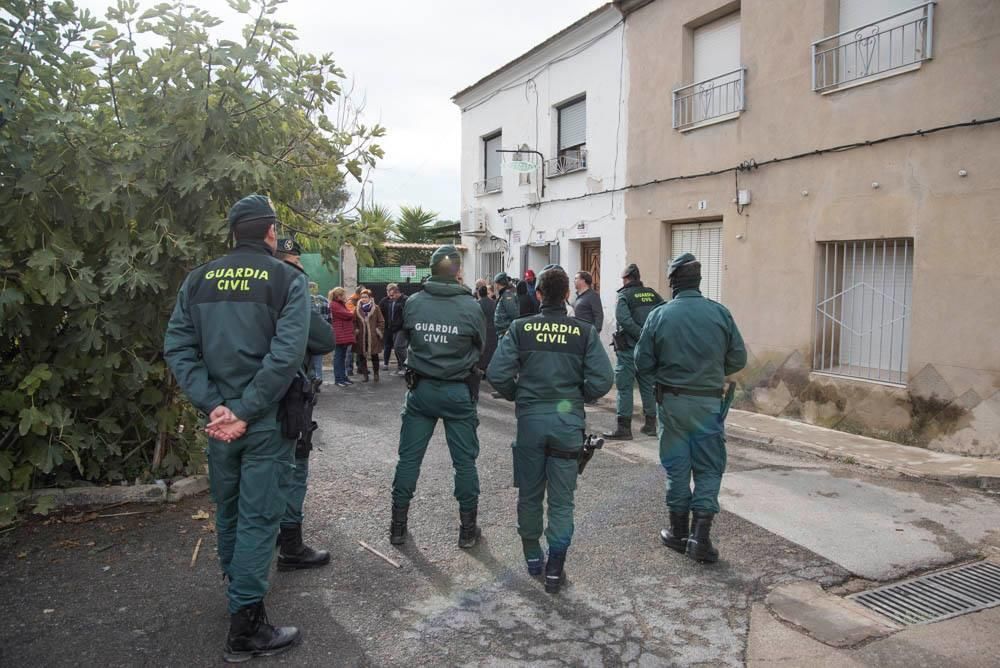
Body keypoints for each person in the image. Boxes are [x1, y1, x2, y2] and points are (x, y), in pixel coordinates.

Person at [163, 194, 307, 661]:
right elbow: (286, 355)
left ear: (234, 232)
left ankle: (239, 594)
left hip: (220, 420)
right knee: (261, 515)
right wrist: (245, 410)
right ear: (269, 232)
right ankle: (245, 628)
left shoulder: (198, 279)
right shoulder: (286, 278)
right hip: (262, 420)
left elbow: (179, 349)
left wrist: (216, 406)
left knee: (227, 510)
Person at [487, 266, 613, 593]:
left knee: (529, 494)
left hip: (530, 422)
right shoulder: (583, 332)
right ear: (568, 296)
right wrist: (575, 397)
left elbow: (497, 373)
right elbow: (603, 379)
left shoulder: (520, 328)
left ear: (539, 294)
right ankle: (555, 567)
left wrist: (521, 397)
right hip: (567, 423)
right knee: (561, 501)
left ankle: (533, 557)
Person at [636, 253, 746, 564]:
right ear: (698, 281)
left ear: (672, 283)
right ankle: (701, 537)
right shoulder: (720, 314)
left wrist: (665, 370)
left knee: (677, 466)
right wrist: (710, 368)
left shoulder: (659, 315)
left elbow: (642, 363)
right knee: (709, 467)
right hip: (709, 403)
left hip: (670, 403)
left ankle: (678, 532)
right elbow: (738, 359)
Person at [389, 245, 487, 549]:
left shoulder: (414, 303)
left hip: (421, 390)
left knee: (409, 459)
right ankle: (467, 531)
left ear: (430, 270)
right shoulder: (471, 306)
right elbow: (480, 346)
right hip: (457, 390)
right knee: (464, 463)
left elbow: (403, 338)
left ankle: (398, 527)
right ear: (457, 272)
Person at [273, 237, 335, 572]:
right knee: (294, 468)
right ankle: (291, 544)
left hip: (237, 398)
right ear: (291, 261)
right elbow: (324, 339)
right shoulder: (291, 287)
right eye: (297, 261)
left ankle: (268, 537)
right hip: (287, 395)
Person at [604, 264, 663, 441]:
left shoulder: (624, 295)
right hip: (648, 351)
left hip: (628, 349)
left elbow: (623, 319)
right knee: (648, 386)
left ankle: (624, 429)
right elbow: (663, 314)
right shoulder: (653, 294)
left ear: (626, 279)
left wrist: (640, 335)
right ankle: (651, 425)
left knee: (624, 388)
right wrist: (650, 338)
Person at [353, 289, 385, 382]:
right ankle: (365, 375)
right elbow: (354, 321)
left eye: (366, 297)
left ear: (370, 298)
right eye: (362, 297)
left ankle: (376, 374)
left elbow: (381, 321)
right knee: (362, 356)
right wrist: (356, 330)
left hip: (373, 336)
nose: (363, 299)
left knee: (374, 356)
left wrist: (378, 330)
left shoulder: (376, 308)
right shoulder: (357, 308)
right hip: (361, 337)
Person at [329, 287, 356, 387]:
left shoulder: (339, 304)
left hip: (343, 335)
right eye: (343, 295)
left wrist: (350, 313)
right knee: (339, 357)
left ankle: (343, 377)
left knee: (342, 357)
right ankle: (339, 379)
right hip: (340, 335)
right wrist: (352, 312)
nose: (345, 296)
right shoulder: (334, 305)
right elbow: (347, 315)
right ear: (338, 296)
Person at [379, 283, 408, 373]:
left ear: (397, 293)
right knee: (394, 347)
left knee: (398, 346)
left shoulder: (405, 300)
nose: (390, 297)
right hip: (391, 328)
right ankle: (403, 366)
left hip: (402, 328)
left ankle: (407, 365)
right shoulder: (388, 300)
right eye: (389, 294)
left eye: (392, 295)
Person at [308, 281, 331, 384]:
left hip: (306, 335)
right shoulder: (324, 301)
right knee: (318, 360)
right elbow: (330, 319)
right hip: (319, 335)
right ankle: (318, 380)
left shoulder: (302, 300)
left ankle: (309, 382)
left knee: (307, 361)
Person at [476, 285, 497, 372]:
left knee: (482, 350)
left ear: (479, 293)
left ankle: (481, 367)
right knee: (491, 349)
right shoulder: (493, 303)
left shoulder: (477, 304)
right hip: (492, 329)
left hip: (482, 329)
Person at [493, 272, 519, 339]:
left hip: (506, 333)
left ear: (498, 284)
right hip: (503, 332)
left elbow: (513, 314)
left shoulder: (507, 296)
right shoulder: (504, 294)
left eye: (495, 283)